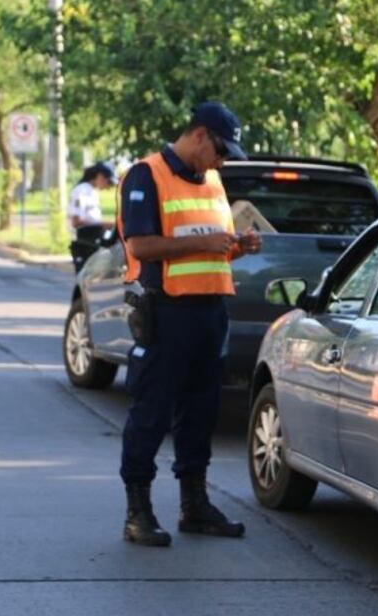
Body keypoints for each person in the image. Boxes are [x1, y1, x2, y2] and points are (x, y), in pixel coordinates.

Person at [116, 101, 262, 547]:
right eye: (220, 151)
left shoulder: (213, 181)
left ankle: (194, 505)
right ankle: (138, 511)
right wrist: (205, 244)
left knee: (201, 413)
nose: (222, 162)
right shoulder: (147, 175)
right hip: (166, 312)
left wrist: (236, 246)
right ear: (199, 136)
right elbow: (141, 246)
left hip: (209, 312)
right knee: (152, 412)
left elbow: (210, 247)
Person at [68, 162, 117, 241]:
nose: (109, 187)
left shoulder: (93, 191)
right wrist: (104, 224)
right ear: (100, 176)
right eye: (109, 182)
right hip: (84, 240)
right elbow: (76, 221)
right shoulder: (81, 191)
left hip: (95, 237)